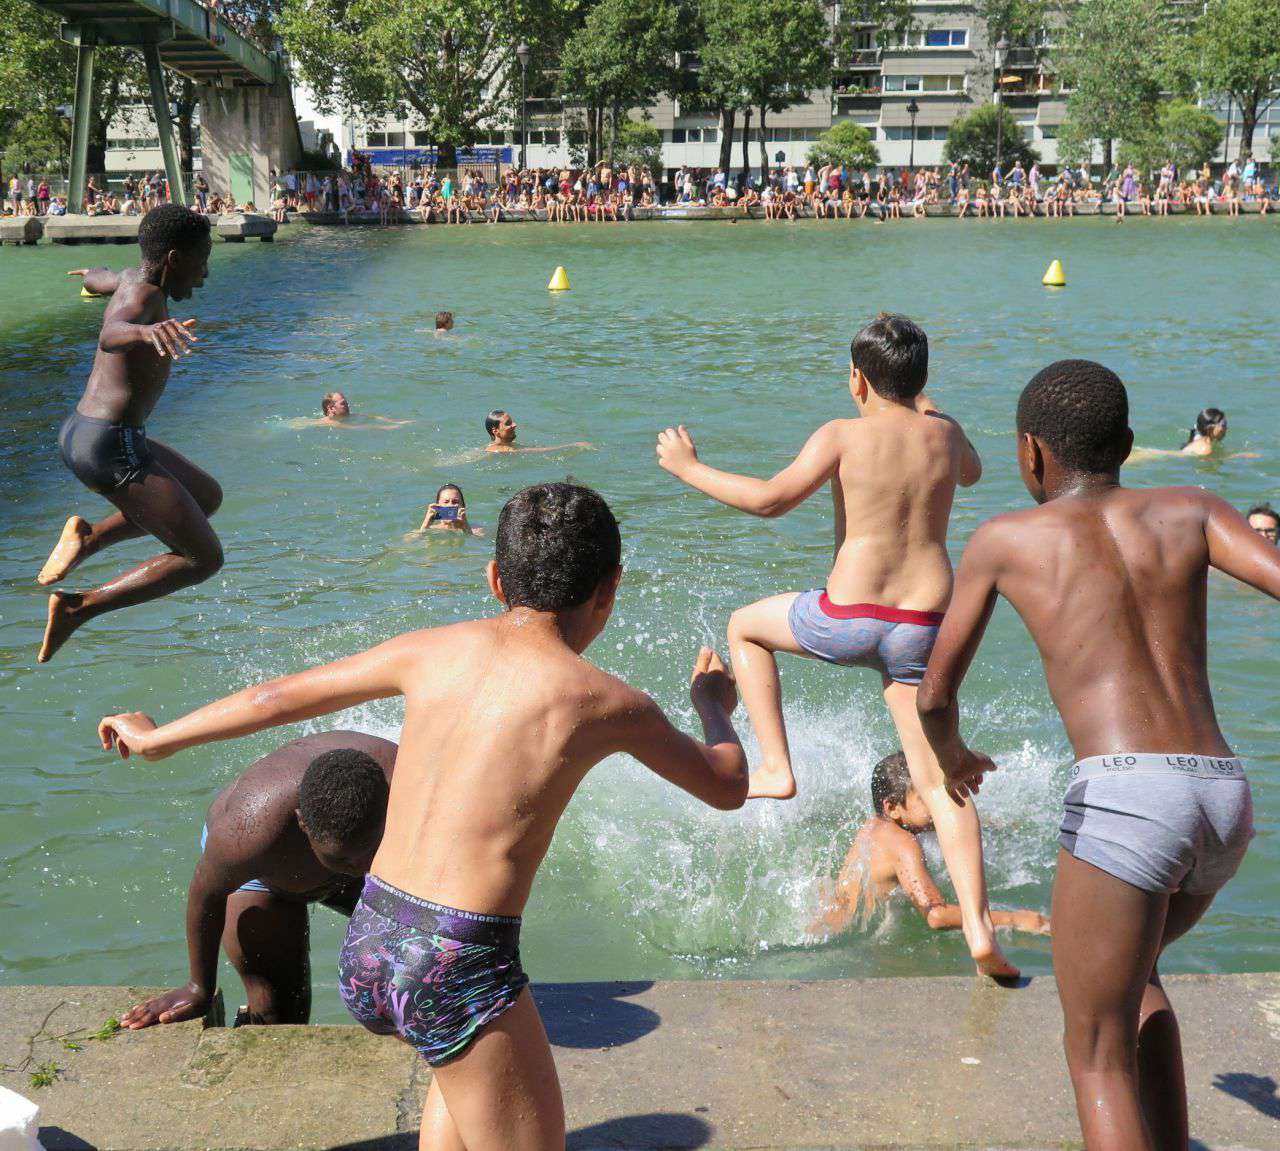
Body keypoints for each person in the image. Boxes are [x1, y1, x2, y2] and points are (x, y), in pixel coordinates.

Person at [98, 482, 749, 1151]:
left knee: (459, 1110)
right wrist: (712, 703)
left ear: (495, 577)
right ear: (609, 590)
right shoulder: (607, 700)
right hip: (458, 959)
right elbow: (727, 784)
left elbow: (274, 698)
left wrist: (158, 737)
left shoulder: (429, 649)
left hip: (374, 934)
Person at [917, 360, 1273, 1151]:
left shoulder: (1006, 538)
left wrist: (953, 760)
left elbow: (933, 696)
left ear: (1031, 454)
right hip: (1222, 795)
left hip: (1129, 801)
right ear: (1129, 444)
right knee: (1135, 974)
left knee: (1095, 1053)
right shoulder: (1195, 506)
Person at [656, 313, 1019, 980]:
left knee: (745, 625)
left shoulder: (842, 435)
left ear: (856, 379)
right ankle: (979, 928)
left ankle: (775, 768)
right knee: (943, 784)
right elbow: (970, 473)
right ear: (923, 380)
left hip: (847, 615)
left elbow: (769, 501)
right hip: (922, 629)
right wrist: (931, 409)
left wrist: (689, 467)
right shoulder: (947, 434)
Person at [36, 206, 217, 664]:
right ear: (174, 259)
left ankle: (88, 538)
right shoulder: (145, 299)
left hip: (89, 433)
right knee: (202, 558)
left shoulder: (133, 279)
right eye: (202, 262)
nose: (205, 276)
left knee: (205, 496)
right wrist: (145, 332)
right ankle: (78, 608)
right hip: (109, 444)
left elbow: (106, 278)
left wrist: (92, 275)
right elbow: (111, 334)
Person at [120, 731, 397, 1029]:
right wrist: (198, 988)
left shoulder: (409, 785)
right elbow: (206, 894)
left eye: (368, 850)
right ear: (302, 823)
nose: (360, 866)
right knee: (279, 1018)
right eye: (342, 858)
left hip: (354, 840)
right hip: (266, 879)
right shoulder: (248, 832)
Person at [813, 750, 1051, 939]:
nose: (940, 803)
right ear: (892, 807)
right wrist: (1015, 920)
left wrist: (994, 826)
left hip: (825, 926)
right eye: (927, 798)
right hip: (844, 939)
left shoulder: (875, 826)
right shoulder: (903, 844)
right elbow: (936, 915)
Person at [484, 409, 589, 454]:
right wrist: (573, 445)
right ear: (496, 431)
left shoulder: (504, 446)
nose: (514, 425)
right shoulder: (501, 450)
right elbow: (540, 451)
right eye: (508, 423)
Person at [297, 391, 411, 429]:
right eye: (343, 404)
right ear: (331, 408)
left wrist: (395, 422)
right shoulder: (330, 423)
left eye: (346, 402)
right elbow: (356, 428)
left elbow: (373, 417)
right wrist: (387, 428)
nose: (348, 405)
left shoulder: (349, 415)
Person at [415, 482, 482, 536]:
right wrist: (426, 524)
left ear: (463, 506)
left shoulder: (475, 530)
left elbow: (480, 546)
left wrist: (466, 528)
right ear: (437, 506)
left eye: (455, 502)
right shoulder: (432, 529)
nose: (450, 505)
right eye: (446, 502)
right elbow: (409, 542)